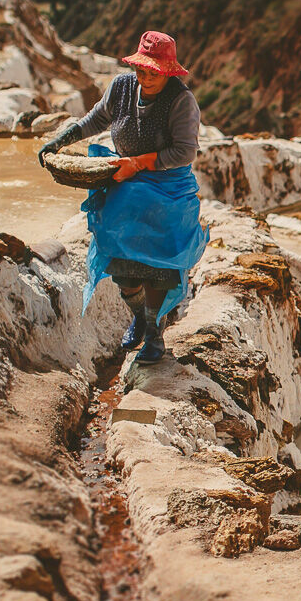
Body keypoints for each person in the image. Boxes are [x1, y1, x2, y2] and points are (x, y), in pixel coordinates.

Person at [38, 31, 207, 364]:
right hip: (125, 184)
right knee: (124, 270)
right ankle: (140, 318)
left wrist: (138, 163)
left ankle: (155, 335)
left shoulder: (181, 101)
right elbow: (97, 119)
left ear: (169, 71)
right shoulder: (122, 87)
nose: (145, 78)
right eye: (141, 70)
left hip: (167, 190)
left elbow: (184, 152)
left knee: (158, 267)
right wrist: (61, 140)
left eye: (153, 72)